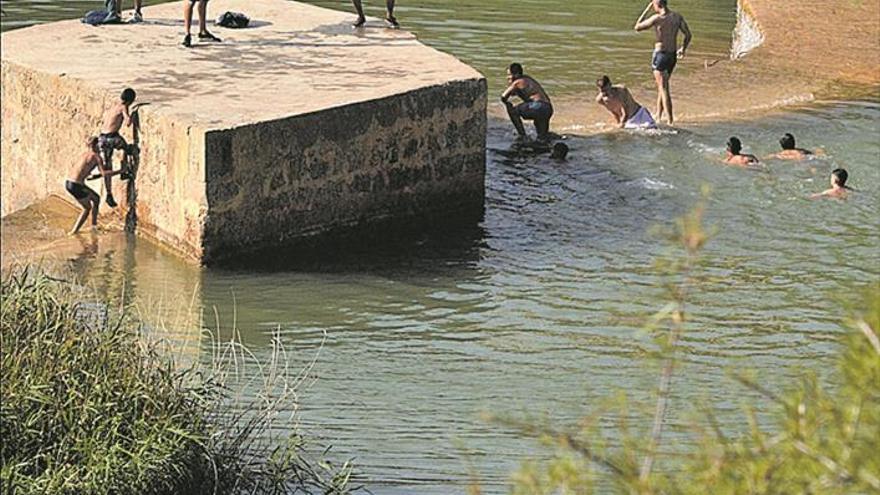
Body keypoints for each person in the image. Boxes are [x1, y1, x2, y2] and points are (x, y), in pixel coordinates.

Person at [634, 0, 691, 126]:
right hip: (672, 56)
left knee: (664, 88)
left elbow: (637, 27)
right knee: (661, 87)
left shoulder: (657, 18)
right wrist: (683, 48)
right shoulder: (677, 17)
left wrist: (647, 10)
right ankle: (658, 116)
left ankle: (670, 120)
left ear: (656, 5)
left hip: (660, 55)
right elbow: (688, 35)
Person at [65, 137, 124, 234]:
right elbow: (104, 173)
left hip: (69, 183)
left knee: (96, 198)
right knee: (87, 208)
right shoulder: (96, 157)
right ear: (96, 145)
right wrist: (120, 171)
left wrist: (92, 176)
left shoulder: (84, 155)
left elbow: (81, 170)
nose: (100, 148)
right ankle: (74, 231)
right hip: (76, 185)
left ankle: (93, 226)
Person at [98, 88, 138, 208]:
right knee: (128, 149)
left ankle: (109, 194)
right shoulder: (123, 107)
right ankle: (124, 171)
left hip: (102, 138)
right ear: (130, 100)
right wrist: (134, 114)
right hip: (112, 138)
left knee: (107, 166)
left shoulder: (114, 106)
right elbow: (128, 122)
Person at [501, 63, 554, 141]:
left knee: (513, 111)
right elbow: (517, 93)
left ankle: (522, 135)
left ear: (516, 74)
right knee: (542, 136)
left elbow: (503, 96)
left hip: (538, 106)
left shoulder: (517, 82)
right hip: (547, 108)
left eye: (509, 75)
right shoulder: (527, 79)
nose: (507, 77)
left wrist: (507, 103)